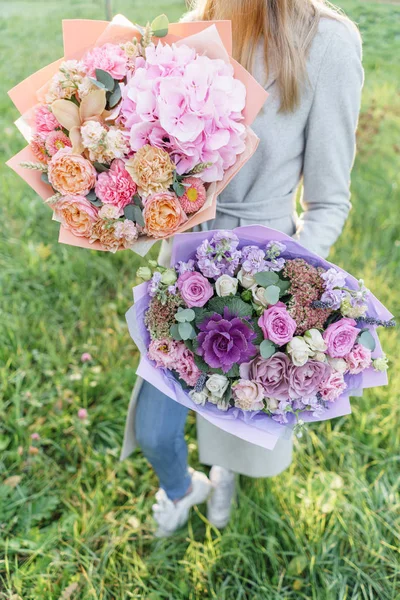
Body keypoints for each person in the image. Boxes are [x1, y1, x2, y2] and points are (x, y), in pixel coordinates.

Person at [121, 0, 364, 537]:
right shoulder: (197, 25)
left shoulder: (329, 43)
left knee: (235, 408)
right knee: (157, 426)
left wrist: (287, 282)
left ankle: (222, 471)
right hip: (183, 257)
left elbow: (328, 202)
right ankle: (185, 489)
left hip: (262, 272)